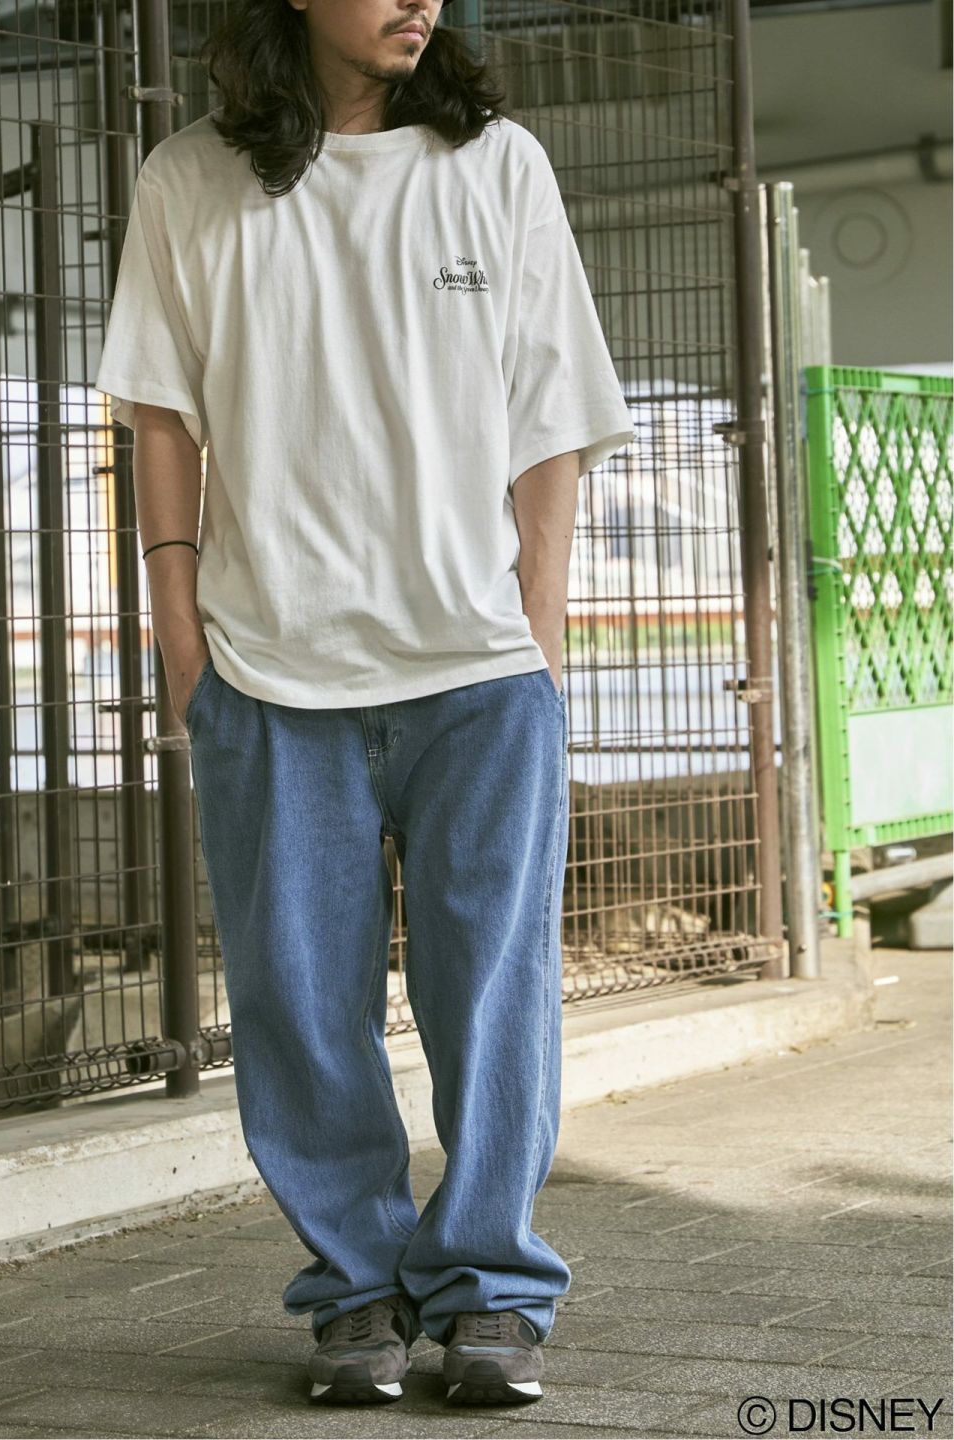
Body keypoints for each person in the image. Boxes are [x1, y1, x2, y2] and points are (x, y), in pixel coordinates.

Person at [95, 0, 634, 1410]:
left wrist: (539, 632)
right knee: (297, 1007)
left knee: (493, 1000)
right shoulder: (190, 178)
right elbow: (161, 415)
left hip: (480, 674)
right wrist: (180, 640)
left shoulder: (497, 163)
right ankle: (355, 1294)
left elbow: (551, 407)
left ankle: (492, 1290)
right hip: (268, 671)